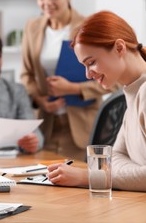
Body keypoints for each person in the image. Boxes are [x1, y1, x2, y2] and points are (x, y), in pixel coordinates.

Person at [20, 0, 113, 161]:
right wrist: (39, 99)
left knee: (76, 185)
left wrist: (73, 88)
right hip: (46, 124)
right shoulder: (32, 27)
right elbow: (26, 74)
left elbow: (114, 80)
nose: (47, 3)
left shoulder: (89, 27)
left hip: (81, 125)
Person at [47, 10, 146, 192]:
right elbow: (115, 157)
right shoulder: (132, 93)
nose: (87, 74)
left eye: (91, 62)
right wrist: (134, 174)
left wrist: (88, 176)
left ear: (119, 48)